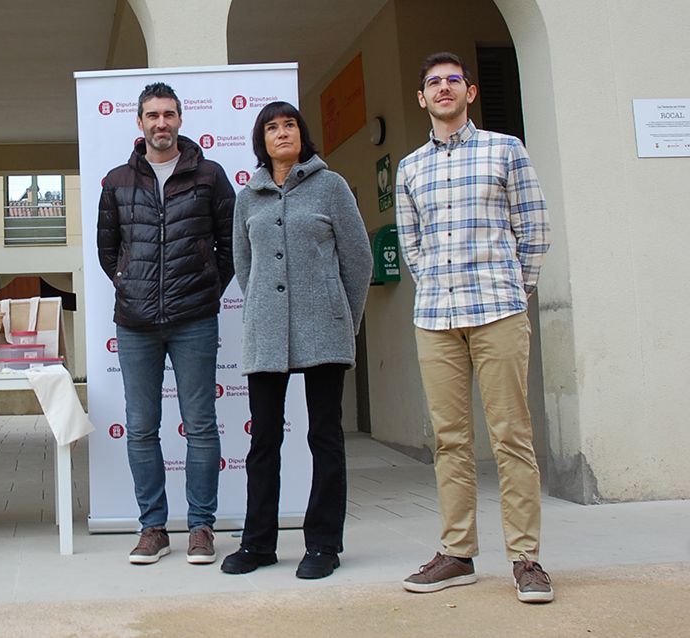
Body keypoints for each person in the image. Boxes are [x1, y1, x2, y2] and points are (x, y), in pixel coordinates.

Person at [396, 51, 554, 603]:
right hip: (437, 318)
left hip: (498, 311)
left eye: (452, 81)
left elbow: (533, 229)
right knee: (450, 440)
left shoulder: (505, 150)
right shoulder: (410, 167)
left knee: (512, 435)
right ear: (422, 98)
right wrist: (436, 283)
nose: (443, 88)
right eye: (433, 82)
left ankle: (526, 558)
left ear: (470, 92)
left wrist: (517, 289)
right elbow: (410, 243)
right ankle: (458, 553)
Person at [220, 101, 372, 579]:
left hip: (323, 326)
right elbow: (244, 266)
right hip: (266, 332)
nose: (282, 133)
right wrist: (268, 305)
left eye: (289, 125)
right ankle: (258, 543)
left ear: (303, 135)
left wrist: (342, 318)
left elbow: (358, 260)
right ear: (260, 140)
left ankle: (324, 544)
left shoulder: (332, 187)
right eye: (272, 127)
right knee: (263, 440)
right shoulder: (249, 197)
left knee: (325, 436)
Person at [97, 81, 235, 565]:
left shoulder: (210, 175)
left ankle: (201, 528)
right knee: (141, 427)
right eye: (152, 115)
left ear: (180, 120)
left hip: (194, 318)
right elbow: (107, 250)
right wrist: (130, 282)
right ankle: (153, 527)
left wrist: (205, 288)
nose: (161, 123)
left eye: (169, 115)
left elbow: (230, 244)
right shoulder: (116, 181)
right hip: (135, 323)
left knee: (199, 425)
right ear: (139, 122)